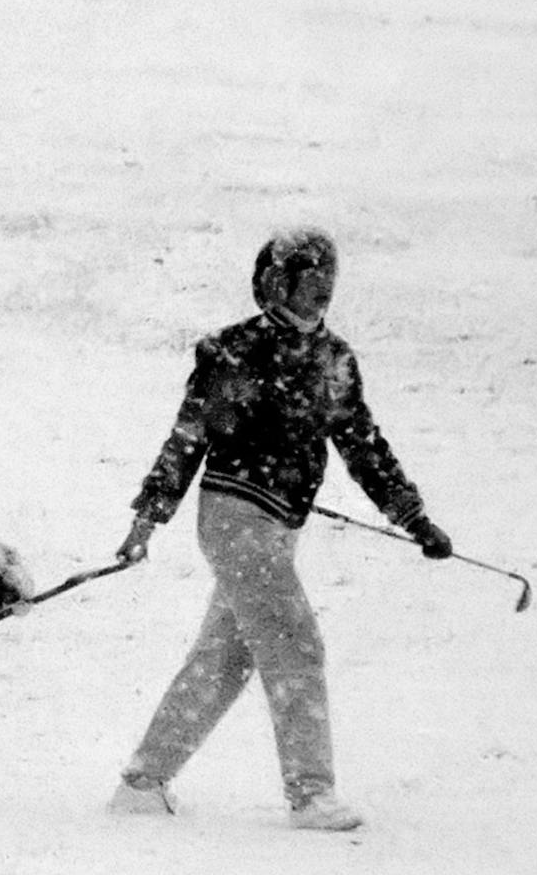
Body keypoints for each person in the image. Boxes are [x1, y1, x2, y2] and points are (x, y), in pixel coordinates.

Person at [106, 228, 453, 831]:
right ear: (276, 280)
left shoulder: (335, 361)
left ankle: (143, 782)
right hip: (234, 517)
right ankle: (311, 794)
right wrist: (148, 516)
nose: (322, 289)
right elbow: (191, 437)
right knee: (296, 645)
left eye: (328, 278)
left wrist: (412, 516)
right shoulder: (234, 352)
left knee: (226, 657)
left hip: (279, 527)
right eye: (309, 276)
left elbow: (363, 446)